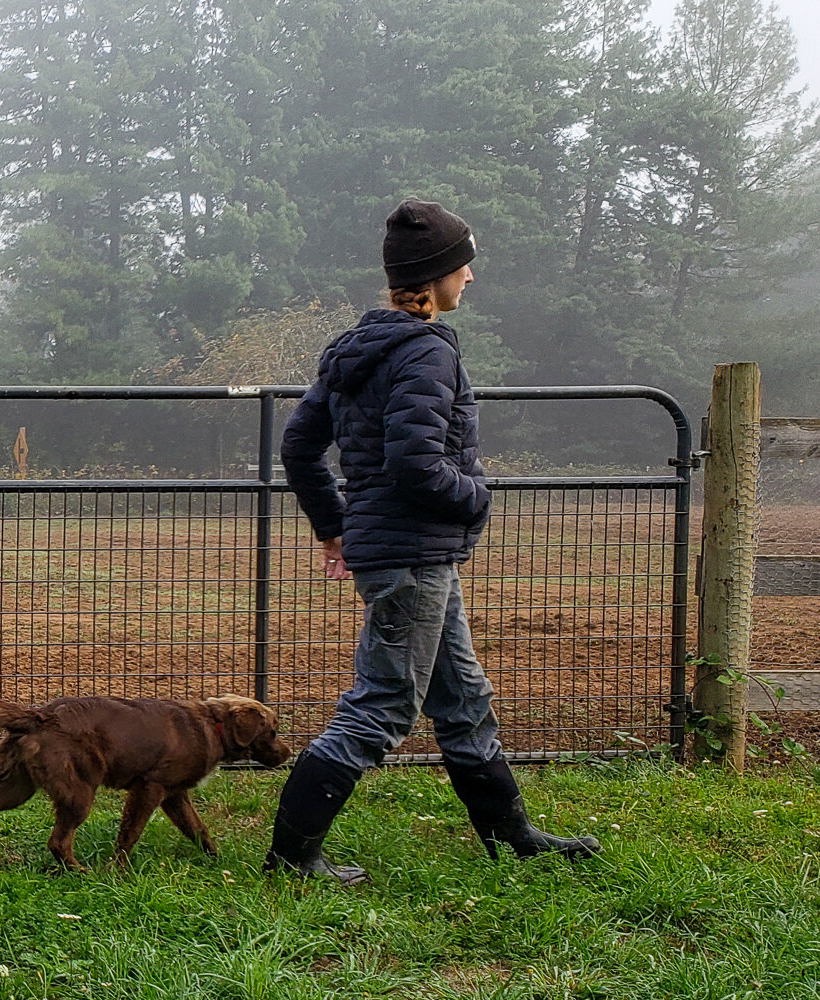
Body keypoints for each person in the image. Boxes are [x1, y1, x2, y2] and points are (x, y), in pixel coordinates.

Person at [264, 197, 601, 884]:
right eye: (463, 264)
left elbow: (300, 447)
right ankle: (292, 858)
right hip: (415, 554)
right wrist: (480, 496)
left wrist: (334, 527)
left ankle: (511, 837)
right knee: (380, 706)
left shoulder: (353, 349)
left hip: (408, 553)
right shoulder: (424, 352)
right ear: (436, 274)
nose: (471, 276)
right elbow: (416, 465)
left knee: (461, 697)